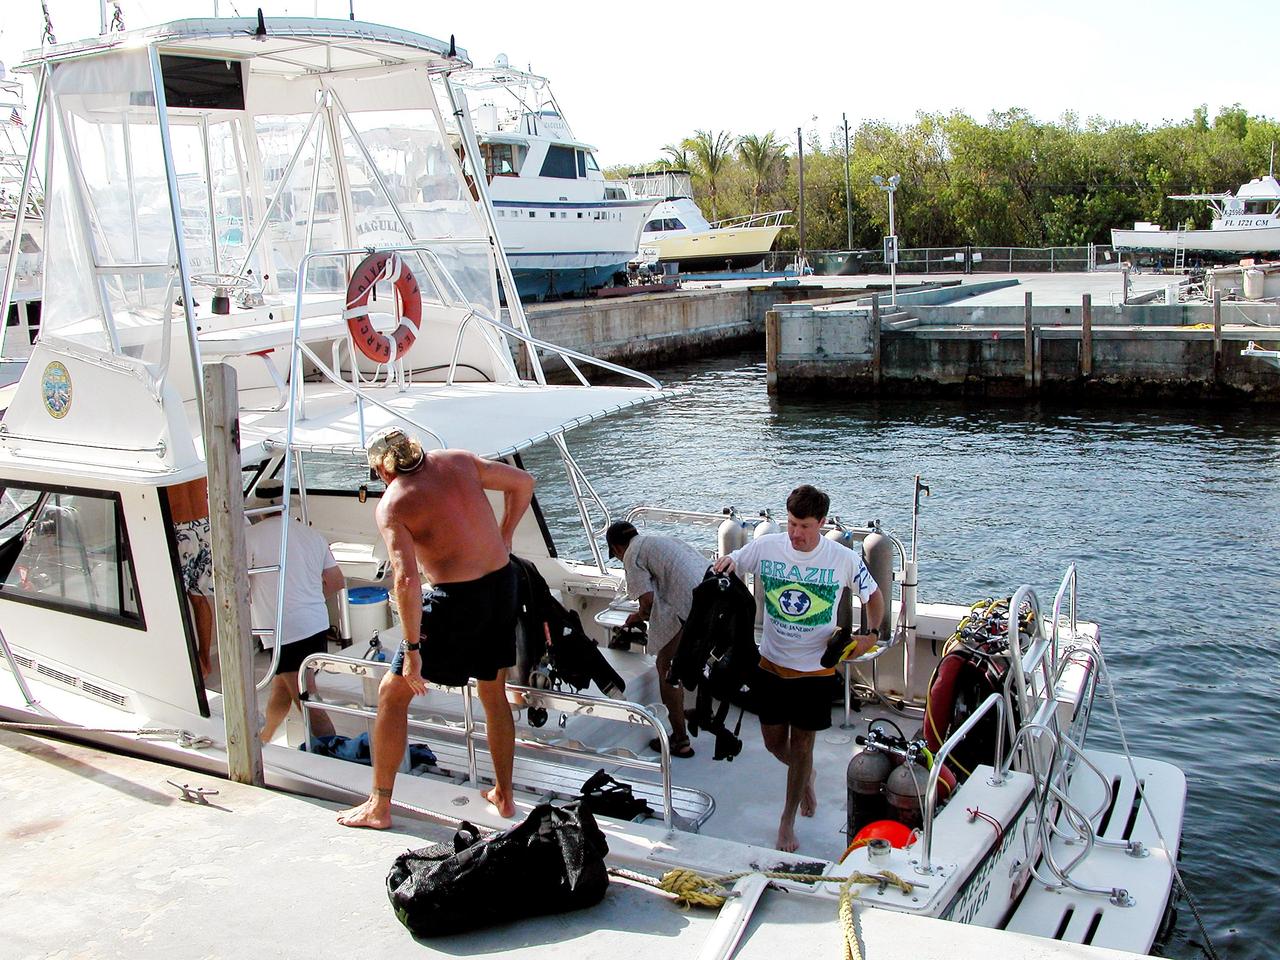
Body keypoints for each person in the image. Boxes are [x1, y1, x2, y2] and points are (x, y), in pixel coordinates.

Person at [338, 427, 534, 829]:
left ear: (383, 471)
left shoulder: (394, 503)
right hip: (502, 584)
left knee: (392, 694)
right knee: (493, 691)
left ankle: (379, 806)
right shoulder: (458, 460)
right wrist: (505, 533)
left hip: (457, 599)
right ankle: (504, 794)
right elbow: (523, 483)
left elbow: (406, 579)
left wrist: (412, 649)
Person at [713, 484, 883, 853]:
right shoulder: (767, 547)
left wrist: (870, 634)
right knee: (776, 743)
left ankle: (787, 818)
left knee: (803, 744)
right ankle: (805, 775)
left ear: (821, 523)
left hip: (817, 671)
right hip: (772, 664)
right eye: (790, 523)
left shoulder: (843, 559)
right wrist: (725, 564)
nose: (795, 533)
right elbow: (736, 561)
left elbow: (874, 596)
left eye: (804, 526)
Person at [245, 479, 345, 744]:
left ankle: (335, 754)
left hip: (283, 631)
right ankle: (264, 739)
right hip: (315, 625)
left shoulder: (249, 538)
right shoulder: (311, 535)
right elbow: (337, 581)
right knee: (284, 686)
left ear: (259, 508)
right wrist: (309, 599)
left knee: (306, 698)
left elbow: (237, 585)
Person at [605, 521, 708, 759]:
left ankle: (680, 741)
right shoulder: (659, 541)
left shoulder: (632, 554)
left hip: (692, 609)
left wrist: (636, 617)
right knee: (692, 657)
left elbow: (649, 602)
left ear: (617, 549)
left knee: (667, 667)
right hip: (713, 601)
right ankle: (701, 713)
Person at [169, 478, 215, 676]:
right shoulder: (194, 456)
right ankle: (205, 660)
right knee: (198, 597)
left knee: (176, 601)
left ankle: (188, 663)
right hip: (204, 525)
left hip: (178, 528)